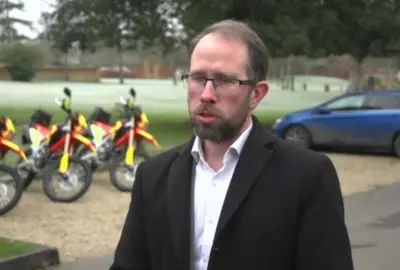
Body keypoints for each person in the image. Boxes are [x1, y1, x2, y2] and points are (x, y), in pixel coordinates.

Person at [110, 19, 353, 270]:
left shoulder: (307, 176)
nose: (206, 94)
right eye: (197, 78)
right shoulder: (153, 175)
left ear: (256, 94)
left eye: (224, 80)